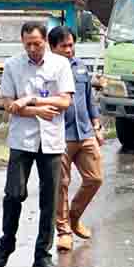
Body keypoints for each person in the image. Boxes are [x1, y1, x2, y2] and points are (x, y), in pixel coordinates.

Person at [0, 22, 75, 267]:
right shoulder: (13, 65)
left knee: (49, 200)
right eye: (27, 44)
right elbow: (7, 103)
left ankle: (42, 254)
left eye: (36, 44)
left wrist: (30, 99)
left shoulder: (59, 65)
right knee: (14, 194)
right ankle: (7, 241)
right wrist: (36, 110)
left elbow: (65, 100)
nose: (32, 48)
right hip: (21, 140)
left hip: (51, 141)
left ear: (45, 42)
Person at [48, 25, 104, 253]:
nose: (69, 50)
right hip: (59, 135)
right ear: (53, 48)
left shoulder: (80, 67)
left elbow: (89, 97)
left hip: (85, 132)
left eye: (71, 45)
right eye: (64, 46)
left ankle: (74, 216)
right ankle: (63, 232)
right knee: (61, 185)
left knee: (95, 178)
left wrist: (97, 124)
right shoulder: (48, 70)